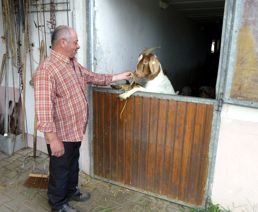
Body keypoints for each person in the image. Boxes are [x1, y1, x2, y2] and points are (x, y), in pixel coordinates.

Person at [34, 25, 132, 212]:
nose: (78, 46)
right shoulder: (46, 71)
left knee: (72, 165)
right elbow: (44, 110)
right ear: (63, 43)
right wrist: (52, 139)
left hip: (75, 131)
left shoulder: (72, 63)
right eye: (75, 42)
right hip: (61, 134)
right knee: (60, 170)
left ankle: (71, 192)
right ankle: (57, 204)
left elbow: (92, 76)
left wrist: (119, 76)